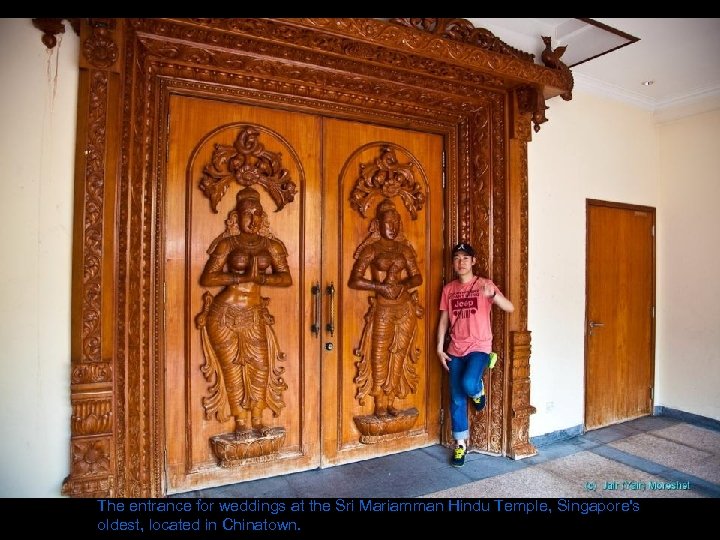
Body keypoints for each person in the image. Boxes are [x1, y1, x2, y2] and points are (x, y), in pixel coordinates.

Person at [196, 186, 292, 434]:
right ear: (236, 217)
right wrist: (238, 279)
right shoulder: (227, 244)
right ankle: (239, 421)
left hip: (253, 312)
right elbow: (208, 278)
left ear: (262, 217)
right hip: (224, 313)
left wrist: (261, 280)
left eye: (257, 214)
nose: (252, 219)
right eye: (246, 214)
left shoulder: (272, 246)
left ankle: (258, 418)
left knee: (259, 365)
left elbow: (286, 278)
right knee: (232, 368)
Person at [436, 242, 514, 466]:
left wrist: (494, 297)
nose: (461, 263)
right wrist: (439, 348)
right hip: (455, 349)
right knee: (457, 399)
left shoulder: (484, 284)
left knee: (469, 384)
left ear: (474, 261)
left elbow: (510, 307)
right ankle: (461, 445)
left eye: (465, 258)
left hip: (479, 347)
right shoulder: (449, 289)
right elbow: (443, 320)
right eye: (457, 258)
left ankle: (478, 391)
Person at [348, 198, 424, 417]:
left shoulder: (404, 250)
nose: (391, 227)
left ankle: (391, 399)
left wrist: (403, 285)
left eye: (395, 223)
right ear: (378, 225)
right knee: (379, 354)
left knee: (398, 354)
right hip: (383, 308)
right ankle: (379, 401)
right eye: (387, 223)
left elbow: (416, 276)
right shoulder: (371, 250)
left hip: (404, 309)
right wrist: (378, 287)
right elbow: (355, 280)